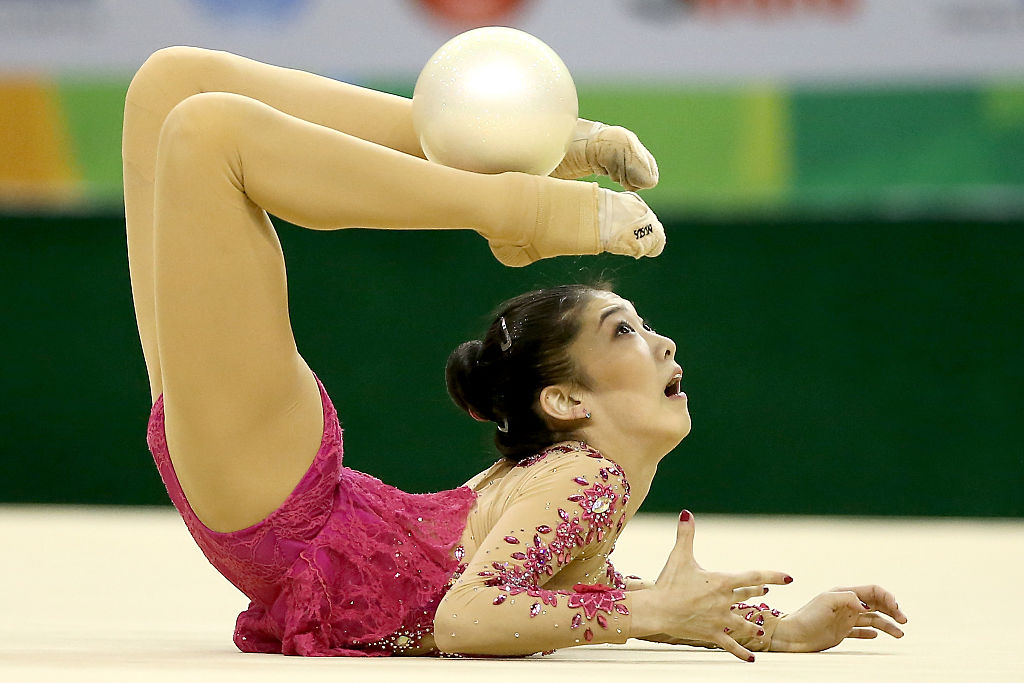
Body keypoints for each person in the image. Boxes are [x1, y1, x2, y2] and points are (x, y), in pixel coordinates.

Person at [125, 46, 907, 660]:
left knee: (208, 131)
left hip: (298, 517)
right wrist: (780, 628)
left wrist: (666, 610)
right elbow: (518, 603)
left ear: (565, 403)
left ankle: (518, 192)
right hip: (287, 505)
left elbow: (479, 609)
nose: (665, 341)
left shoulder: (583, 477)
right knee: (175, 88)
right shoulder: (587, 481)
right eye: (629, 330)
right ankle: (518, 164)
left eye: (628, 328)